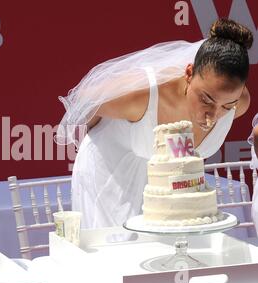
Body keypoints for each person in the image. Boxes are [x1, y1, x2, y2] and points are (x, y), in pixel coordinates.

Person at [56, 18, 253, 229]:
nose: (213, 115)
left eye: (226, 106)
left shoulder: (240, 103)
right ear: (188, 73)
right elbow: (86, 102)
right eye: (206, 99)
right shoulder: (143, 94)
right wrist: (98, 135)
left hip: (163, 190)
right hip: (111, 174)